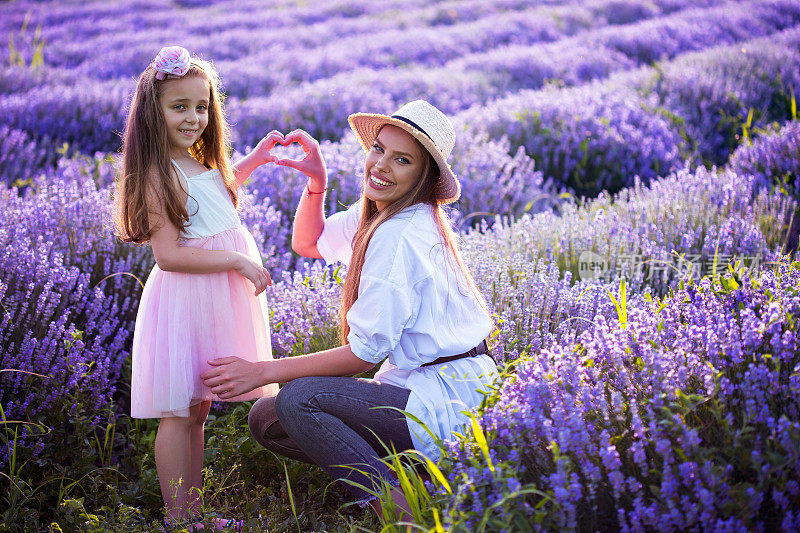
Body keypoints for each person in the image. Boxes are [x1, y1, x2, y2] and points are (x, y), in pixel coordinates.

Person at [201, 100, 497, 517]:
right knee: (267, 419)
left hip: (447, 399)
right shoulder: (380, 214)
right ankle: (415, 477)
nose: (381, 165)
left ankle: (402, 510)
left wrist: (262, 370)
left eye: (402, 160)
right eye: (379, 149)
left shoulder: (399, 235)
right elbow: (308, 242)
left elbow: (364, 354)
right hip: (419, 387)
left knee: (298, 401)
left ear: (423, 176)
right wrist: (317, 183)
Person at [115, 45, 284, 529]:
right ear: (154, 112)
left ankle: (193, 510)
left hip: (213, 299)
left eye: (202, 107)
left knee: (200, 407)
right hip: (187, 301)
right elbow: (168, 255)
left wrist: (252, 161)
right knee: (179, 411)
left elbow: (215, 198)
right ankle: (177, 517)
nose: (194, 118)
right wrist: (236, 259)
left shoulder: (195, 161)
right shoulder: (155, 173)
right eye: (180, 107)